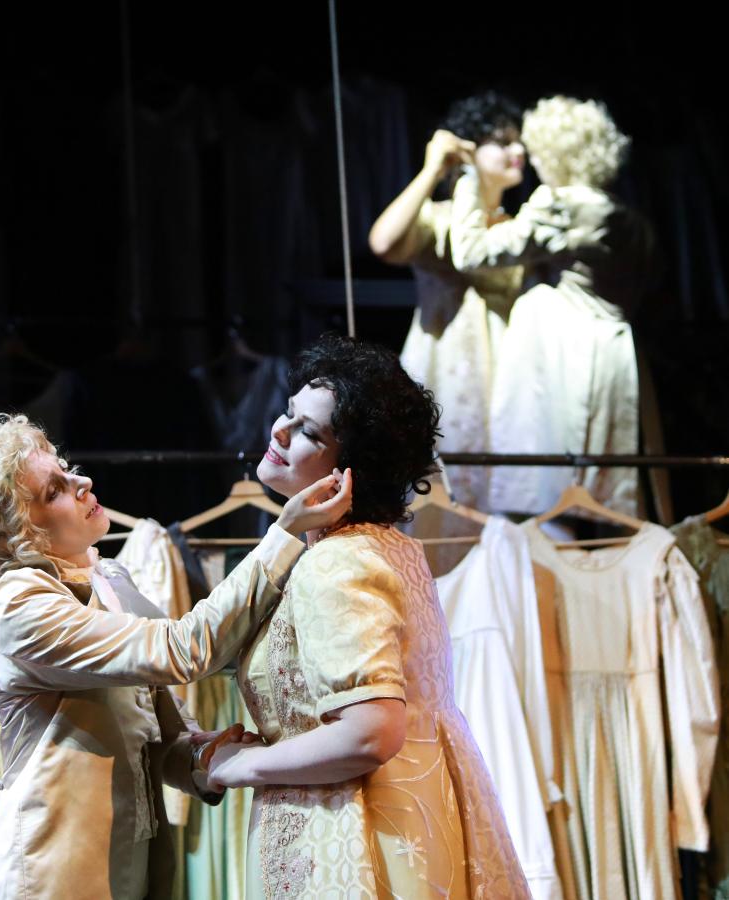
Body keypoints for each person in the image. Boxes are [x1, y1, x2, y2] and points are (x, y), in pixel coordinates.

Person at [0, 413, 352, 900]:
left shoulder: (109, 581)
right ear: (15, 536)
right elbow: (184, 649)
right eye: (54, 490)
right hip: (46, 876)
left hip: (128, 872)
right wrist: (286, 533)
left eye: (67, 470)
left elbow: (158, 738)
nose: (82, 482)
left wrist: (203, 755)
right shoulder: (18, 605)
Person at [206, 335, 531, 899]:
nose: (279, 432)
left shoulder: (338, 561)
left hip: (355, 838)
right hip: (404, 817)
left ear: (352, 469)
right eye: (288, 413)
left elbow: (369, 733)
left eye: (310, 432)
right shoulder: (388, 547)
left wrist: (244, 765)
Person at [448, 95, 653, 517]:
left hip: (562, 353)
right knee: (600, 488)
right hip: (614, 349)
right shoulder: (629, 218)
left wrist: (468, 179)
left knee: (549, 489)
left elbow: (471, 251)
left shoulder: (560, 205)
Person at [368, 91, 526, 507]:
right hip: (441, 366)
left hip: (505, 371)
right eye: (503, 142)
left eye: (519, 141)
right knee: (433, 491)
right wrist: (432, 169)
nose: (518, 151)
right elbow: (383, 242)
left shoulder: (518, 227)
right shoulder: (437, 217)